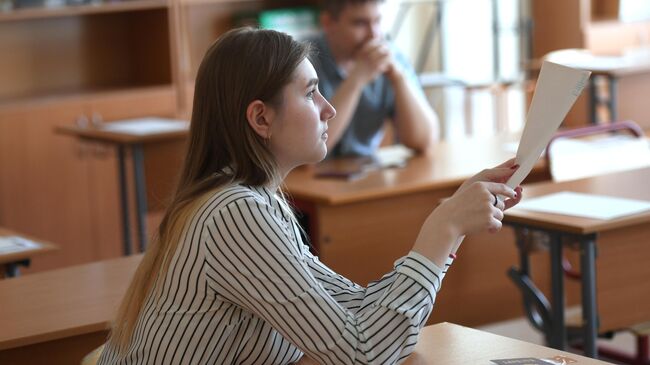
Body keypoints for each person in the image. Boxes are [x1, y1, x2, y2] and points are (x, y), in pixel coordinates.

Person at [98, 27, 522, 365]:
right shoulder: (235, 213)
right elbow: (362, 352)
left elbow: (357, 310)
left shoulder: (257, 201)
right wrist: (442, 227)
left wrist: (452, 221)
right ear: (261, 117)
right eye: (309, 92)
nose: (328, 108)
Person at [310, 0, 439, 158]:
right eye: (360, 23)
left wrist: (398, 78)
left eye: (377, 21)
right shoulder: (302, 63)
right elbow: (310, 149)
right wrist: (356, 80)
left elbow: (423, 140)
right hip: (305, 180)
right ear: (328, 22)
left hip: (366, 176)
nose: (374, 35)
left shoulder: (390, 57)